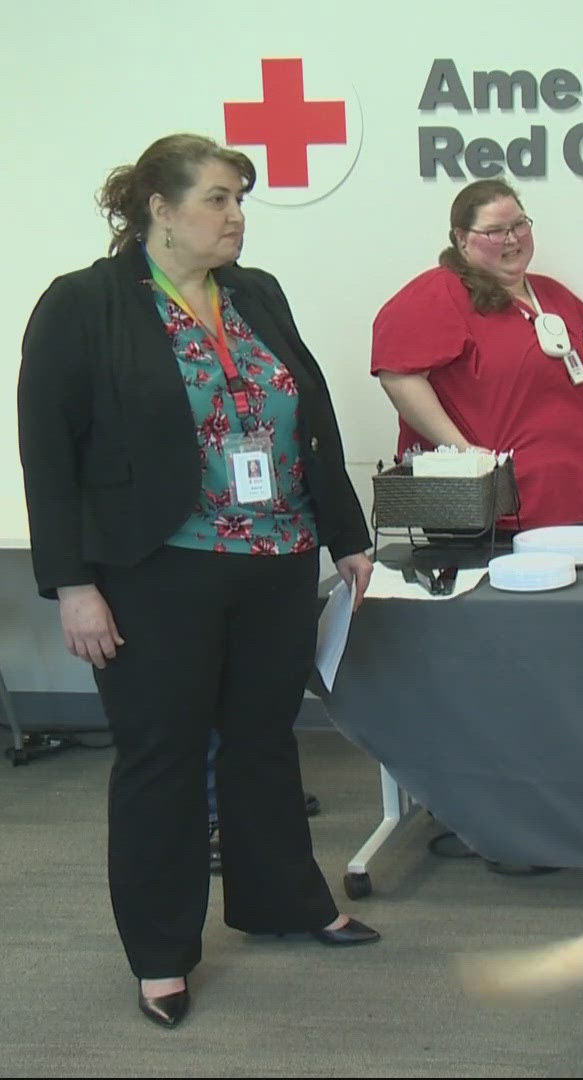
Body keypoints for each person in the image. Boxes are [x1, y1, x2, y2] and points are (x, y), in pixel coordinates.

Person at [17, 134, 383, 1030]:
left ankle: (285, 900)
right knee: (163, 760)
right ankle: (160, 953)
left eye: (239, 199)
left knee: (263, 741)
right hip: (154, 569)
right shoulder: (84, 304)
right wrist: (72, 585)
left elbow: (313, 415)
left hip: (276, 558)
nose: (236, 217)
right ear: (157, 208)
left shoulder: (255, 293)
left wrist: (345, 535)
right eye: (217, 199)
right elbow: (48, 453)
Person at [371, 179, 583, 530]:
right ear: (461, 238)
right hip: (501, 515)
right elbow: (398, 376)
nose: (512, 238)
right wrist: (463, 452)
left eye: (519, 224)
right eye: (495, 231)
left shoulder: (556, 296)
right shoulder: (441, 293)